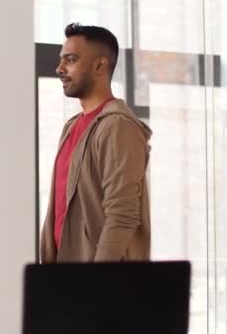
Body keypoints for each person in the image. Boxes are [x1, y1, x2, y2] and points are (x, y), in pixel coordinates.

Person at [40, 23, 152, 263]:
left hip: (99, 285)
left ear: (99, 66)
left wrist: (97, 280)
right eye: (61, 60)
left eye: (70, 60)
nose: (60, 68)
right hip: (65, 277)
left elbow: (122, 215)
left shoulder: (118, 126)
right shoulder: (72, 127)